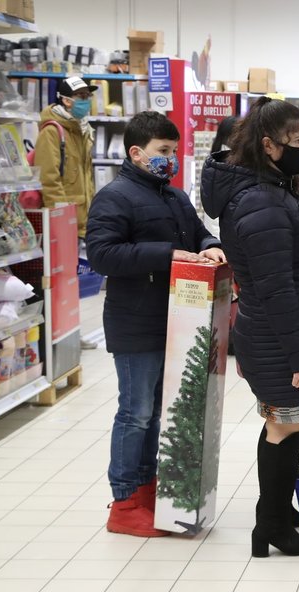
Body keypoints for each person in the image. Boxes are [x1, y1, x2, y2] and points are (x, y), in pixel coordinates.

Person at [201, 98, 299, 558]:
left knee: (290, 423)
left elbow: (286, 260)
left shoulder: (271, 187)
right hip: (283, 335)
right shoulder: (260, 199)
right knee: (284, 426)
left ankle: (278, 510)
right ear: (269, 144)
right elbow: (276, 287)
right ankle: (272, 526)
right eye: (298, 141)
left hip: (284, 328)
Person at [86, 111, 225, 538]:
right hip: (135, 322)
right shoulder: (115, 197)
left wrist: (210, 246)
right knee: (136, 412)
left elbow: (196, 232)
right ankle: (125, 502)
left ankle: (149, 491)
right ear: (136, 152)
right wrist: (168, 254)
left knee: (160, 413)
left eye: (174, 151)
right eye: (163, 152)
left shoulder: (174, 196)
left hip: (174, 321)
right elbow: (103, 255)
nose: (171, 158)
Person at [36, 76, 100, 349]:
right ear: (65, 99)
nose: (86, 100)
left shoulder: (81, 129)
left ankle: (70, 333)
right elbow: (49, 179)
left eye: (88, 95)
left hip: (82, 217)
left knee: (72, 280)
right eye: (81, 95)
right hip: (62, 220)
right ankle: (55, 336)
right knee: (59, 281)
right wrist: (60, 220)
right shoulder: (53, 131)